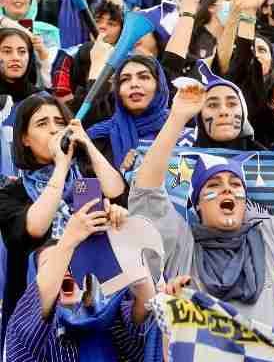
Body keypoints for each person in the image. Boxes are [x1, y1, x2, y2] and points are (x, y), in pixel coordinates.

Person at [129, 81, 274, 326]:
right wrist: (177, 117)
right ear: (197, 204)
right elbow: (147, 193)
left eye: (235, 184)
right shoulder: (182, 245)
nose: (227, 189)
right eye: (213, 185)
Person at [0, 93, 126, 344]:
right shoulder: (11, 193)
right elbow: (35, 228)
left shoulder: (86, 179)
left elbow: (117, 192)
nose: (54, 130)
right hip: (38, 322)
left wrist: (86, 143)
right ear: (24, 138)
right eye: (42, 123)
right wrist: (61, 165)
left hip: (96, 306)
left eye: (59, 122)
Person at [4, 199, 154, 362]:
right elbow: (37, 304)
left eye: (70, 263)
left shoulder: (109, 314)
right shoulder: (26, 340)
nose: (63, 272)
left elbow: (145, 318)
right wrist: (69, 240)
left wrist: (126, 242)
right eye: (51, 265)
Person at [87, 55, 170, 170]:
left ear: (159, 85)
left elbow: (184, 177)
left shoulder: (180, 130)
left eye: (144, 77)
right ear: (117, 90)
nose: (134, 84)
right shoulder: (97, 138)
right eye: (125, 79)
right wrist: (123, 173)